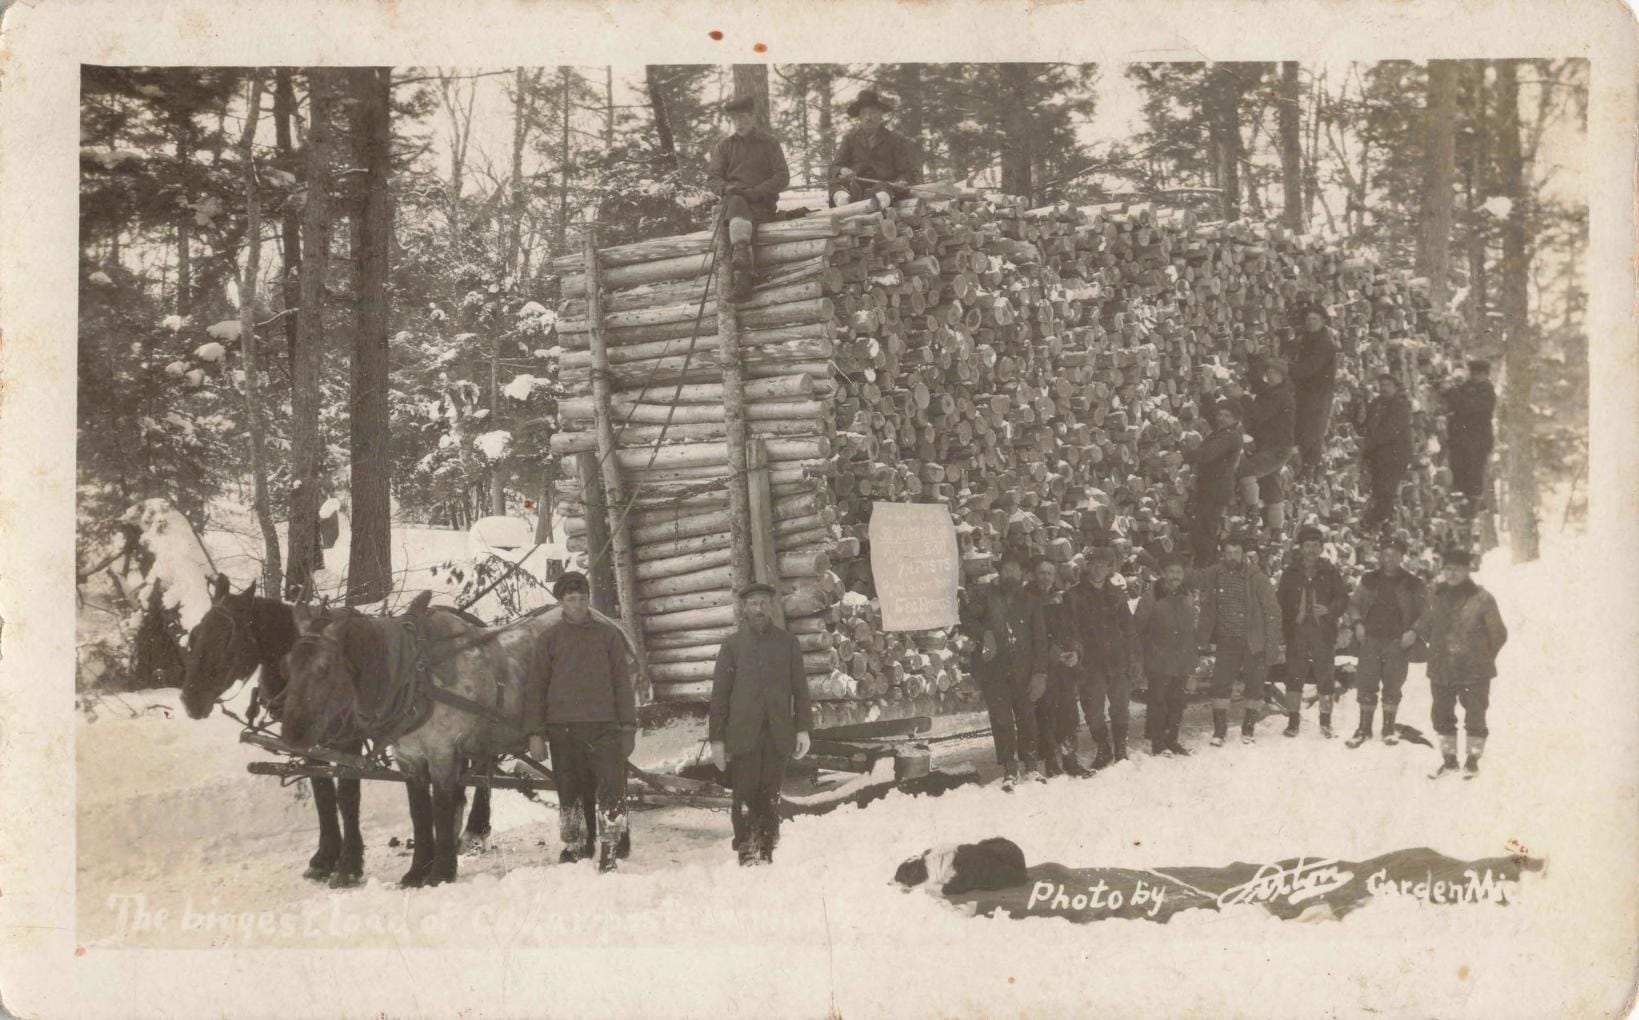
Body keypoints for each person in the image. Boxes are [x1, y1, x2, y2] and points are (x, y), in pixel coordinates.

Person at [524, 572, 638, 873]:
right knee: (569, 789)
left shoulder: (608, 636)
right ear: (561, 603)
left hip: (604, 728)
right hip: (563, 731)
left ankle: (610, 849)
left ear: (589, 600)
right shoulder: (549, 639)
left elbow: (622, 685)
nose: (577, 605)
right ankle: (575, 845)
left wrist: (628, 728)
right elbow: (536, 689)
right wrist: (535, 733)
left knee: (611, 788)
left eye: (583, 599)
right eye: (571, 599)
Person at [709, 583, 813, 865]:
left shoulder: (787, 643)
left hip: (778, 734)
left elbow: (800, 689)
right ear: (744, 608)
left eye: (764, 603)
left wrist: (803, 729)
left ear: (771, 607)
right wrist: (717, 740)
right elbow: (719, 695)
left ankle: (766, 846)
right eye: (753, 604)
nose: (759, 609)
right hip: (744, 735)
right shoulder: (732, 645)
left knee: (771, 794)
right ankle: (746, 847)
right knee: (744, 793)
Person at [1407, 547, 1508, 779]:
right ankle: (1449, 761)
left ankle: (1472, 762)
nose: (1451, 574)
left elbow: (1499, 634)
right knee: (1442, 715)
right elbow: (1425, 624)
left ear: (1467, 571)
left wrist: (1482, 657)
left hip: (1475, 670)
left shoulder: (1483, 599)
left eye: (1457, 569)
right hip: (1441, 668)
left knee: (1475, 715)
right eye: (1447, 569)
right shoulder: (1435, 596)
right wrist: (1431, 643)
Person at [960, 555, 1048, 789]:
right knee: (1002, 720)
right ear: (1000, 572)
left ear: (1022, 574)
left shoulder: (1031, 602)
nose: (1010, 574)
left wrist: (1040, 674)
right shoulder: (986, 597)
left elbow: (1040, 641)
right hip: (994, 672)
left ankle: (1032, 767)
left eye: (1015, 570)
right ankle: (1010, 769)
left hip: (1025, 672)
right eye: (1006, 570)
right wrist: (984, 634)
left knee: (1027, 719)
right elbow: (966, 619)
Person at [1190, 531, 1282, 746]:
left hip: (1252, 641)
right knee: (1221, 684)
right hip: (1227, 640)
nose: (1232, 557)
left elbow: (1273, 612)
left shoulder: (1257, 579)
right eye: (1228, 553)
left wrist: (1272, 644)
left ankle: (1248, 729)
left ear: (1243, 554)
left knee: (1254, 685)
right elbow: (1194, 578)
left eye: (1236, 553)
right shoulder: (1216, 573)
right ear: (1222, 554)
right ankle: (1220, 731)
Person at [706, 95, 791, 304]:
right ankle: (742, 262)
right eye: (734, 119)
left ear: (752, 117)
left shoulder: (769, 144)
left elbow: (782, 176)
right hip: (734, 201)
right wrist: (728, 188)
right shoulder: (724, 146)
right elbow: (713, 178)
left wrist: (757, 191)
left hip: (761, 204)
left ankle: (743, 271)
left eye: (743, 118)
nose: (739, 123)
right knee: (736, 201)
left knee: (738, 204)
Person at [1345, 536, 1427, 748]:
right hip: (1370, 639)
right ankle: (1364, 728)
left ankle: (1388, 728)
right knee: (1366, 682)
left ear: (1401, 557)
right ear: (1380, 556)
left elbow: (1426, 612)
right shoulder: (1369, 579)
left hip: (1397, 642)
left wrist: (1414, 631)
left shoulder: (1413, 583)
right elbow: (1354, 604)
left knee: (1393, 684)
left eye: (1394, 555)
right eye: (1385, 554)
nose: (1389, 559)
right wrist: (1357, 624)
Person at [1276, 525, 1351, 738]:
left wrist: (1329, 609)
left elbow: (1342, 598)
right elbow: (1280, 601)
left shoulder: (1330, 571)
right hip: (1297, 631)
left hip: (1322, 631)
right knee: (1294, 674)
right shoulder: (1290, 572)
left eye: (1315, 546)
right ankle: (1293, 721)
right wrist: (1284, 626)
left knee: (1325, 674)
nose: (1311, 550)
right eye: (1307, 546)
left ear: (1321, 548)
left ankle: (1325, 722)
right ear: (1301, 548)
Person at [1072, 546, 1139, 766]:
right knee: (1093, 709)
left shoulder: (1116, 594)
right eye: (1094, 564)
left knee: (1120, 707)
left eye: (1104, 565)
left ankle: (1120, 748)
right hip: (1091, 662)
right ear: (1088, 566)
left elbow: (1128, 628)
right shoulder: (1075, 595)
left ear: (1110, 568)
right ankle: (1103, 748)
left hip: (1117, 660)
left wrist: (1133, 657)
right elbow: (1072, 630)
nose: (1099, 569)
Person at [1133, 552, 1199, 756]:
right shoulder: (1152, 595)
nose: (1175, 576)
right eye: (1171, 571)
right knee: (1158, 701)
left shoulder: (1187, 594)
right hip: (1159, 657)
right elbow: (1138, 627)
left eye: (1179, 572)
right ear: (1163, 573)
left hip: (1182, 658)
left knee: (1177, 701)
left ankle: (1172, 739)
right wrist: (1146, 653)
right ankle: (1157, 742)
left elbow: (1191, 626)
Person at [1032, 557, 1087, 777]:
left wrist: (1075, 652)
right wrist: (1049, 653)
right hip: (1042, 668)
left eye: (1049, 573)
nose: (1045, 577)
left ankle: (1070, 760)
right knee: (1046, 715)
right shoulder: (1027, 599)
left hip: (1064, 667)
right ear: (1033, 575)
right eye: (1041, 573)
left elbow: (1074, 630)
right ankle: (1051, 761)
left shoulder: (1063, 599)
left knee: (1069, 714)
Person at [827, 88, 919, 207]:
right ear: (859, 116)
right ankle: (844, 202)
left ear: (881, 114)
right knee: (837, 186)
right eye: (864, 113)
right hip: (856, 186)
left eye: (873, 112)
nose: (868, 117)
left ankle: (880, 202)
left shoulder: (895, 139)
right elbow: (834, 167)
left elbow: (905, 171)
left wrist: (902, 181)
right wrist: (842, 170)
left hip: (884, 186)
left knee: (885, 188)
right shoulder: (850, 139)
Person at [1235, 356, 1296, 536]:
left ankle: (1252, 512)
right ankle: (1277, 530)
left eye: (1274, 372)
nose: (1270, 375)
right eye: (1268, 371)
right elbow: (1258, 384)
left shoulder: (1280, 395)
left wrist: (1242, 397)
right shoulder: (1271, 391)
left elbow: (1259, 414)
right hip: (1271, 447)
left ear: (1283, 376)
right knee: (1271, 486)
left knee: (1246, 470)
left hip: (1276, 449)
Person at [1185, 399, 1244, 567]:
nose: (1221, 418)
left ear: (1235, 419)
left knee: (1205, 529)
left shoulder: (1230, 436)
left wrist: (1183, 456)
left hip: (1216, 489)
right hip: (1212, 487)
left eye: (1227, 415)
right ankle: (1207, 563)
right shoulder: (1223, 432)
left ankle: (1204, 566)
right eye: (1220, 414)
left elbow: (1208, 453)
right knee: (1206, 527)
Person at [1360, 371, 1414, 530]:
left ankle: (1381, 521)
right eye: (1382, 385)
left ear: (1396, 387)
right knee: (1378, 488)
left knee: (1386, 490)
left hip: (1395, 455)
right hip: (1379, 454)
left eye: (1388, 385)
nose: (1384, 388)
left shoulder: (1401, 405)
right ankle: (1379, 522)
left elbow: (1390, 430)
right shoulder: (1377, 403)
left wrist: (1370, 443)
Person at [1289, 306, 1339, 477]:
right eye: (1308, 319)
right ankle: (1303, 466)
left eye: (1314, 319)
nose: (1310, 322)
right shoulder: (1305, 339)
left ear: (1323, 322)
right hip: (1305, 391)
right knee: (1303, 425)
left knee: (1312, 428)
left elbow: (1309, 368)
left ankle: (1309, 468)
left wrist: (1288, 369)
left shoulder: (1325, 343)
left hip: (1318, 393)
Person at [1442, 359, 1497, 511]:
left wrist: (1451, 392)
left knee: (1474, 473)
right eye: (1472, 373)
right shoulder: (1468, 386)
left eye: (1478, 374)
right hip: (1461, 438)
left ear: (1486, 375)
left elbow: (1466, 406)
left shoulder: (1487, 392)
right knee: (1458, 469)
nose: (1474, 377)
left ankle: (1473, 507)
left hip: (1478, 440)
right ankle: (1462, 504)